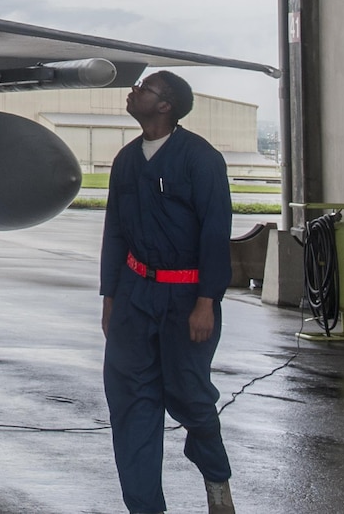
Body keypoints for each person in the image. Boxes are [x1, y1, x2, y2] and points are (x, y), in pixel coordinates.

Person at [100, 70, 235, 514]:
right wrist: (111, 297)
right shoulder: (125, 160)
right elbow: (115, 232)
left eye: (144, 88)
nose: (133, 92)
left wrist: (206, 302)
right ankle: (144, 507)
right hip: (135, 294)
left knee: (189, 396)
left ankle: (215, 477)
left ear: (166, 105)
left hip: (187, 298)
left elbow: (216, 233)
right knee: (131, 400)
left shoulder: (200, 159)